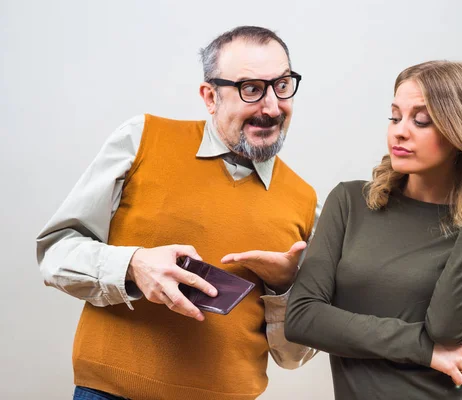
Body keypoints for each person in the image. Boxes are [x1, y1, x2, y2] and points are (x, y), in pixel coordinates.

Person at [36, 26, 319, 400]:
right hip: (111, 394)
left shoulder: (305, 200)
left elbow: (294, 357)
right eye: (251, 89)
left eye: (282, 85)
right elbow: (56, 251)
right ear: (210, 96)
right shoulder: (143, 139)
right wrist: (134, 265)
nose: (271, 106)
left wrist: (284, 290)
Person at [285, 60, 462, 400]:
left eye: (422, 120)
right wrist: (423, 349)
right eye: (395, 116)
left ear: (461, 131)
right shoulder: (350, 203)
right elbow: (302, 317)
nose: (400, 131)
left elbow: (448, 328)